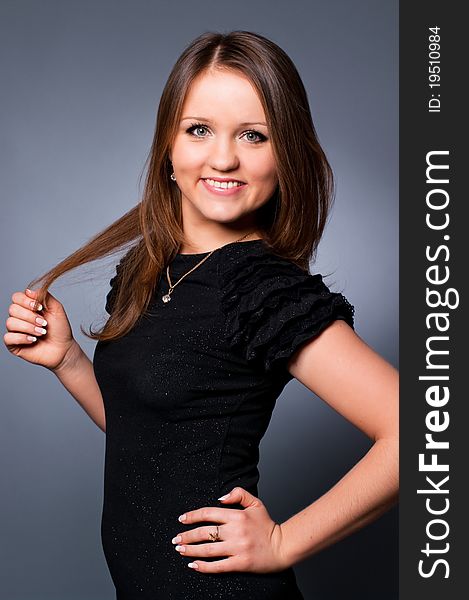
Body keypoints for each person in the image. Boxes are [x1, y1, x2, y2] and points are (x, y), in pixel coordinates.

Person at [4, 30, 398, 599]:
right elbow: (152, 442)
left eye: (254, 135)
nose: (223, 157)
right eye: (200, 130)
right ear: (169, 143)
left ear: (286, 153)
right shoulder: (150, 267)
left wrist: (283, 542)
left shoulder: (262, 290)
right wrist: (67, 361)